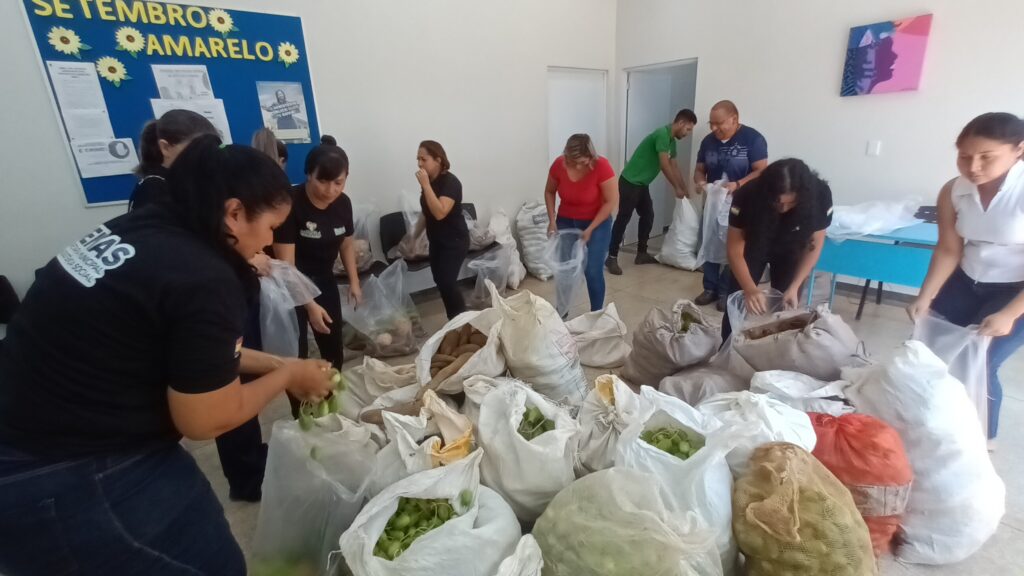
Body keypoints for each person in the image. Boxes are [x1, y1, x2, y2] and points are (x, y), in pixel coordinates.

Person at [0, 135, 337, 574]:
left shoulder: (141, 229)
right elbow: (206, 418)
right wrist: (288, 378)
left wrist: (282, 363)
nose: (270, 241)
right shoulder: (203, 275)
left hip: (38, 430)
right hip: (65, 464)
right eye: (272, 226)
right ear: (234, 213)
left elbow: (197, 359)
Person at [908, 112, 1024, 443]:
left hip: (1015, 291)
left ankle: (979, 442)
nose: (973, 167)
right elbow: (949, 249)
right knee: (928, 353)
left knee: (980, 362)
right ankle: (928, 429)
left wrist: (1009, 314)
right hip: (967, 279)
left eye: (987, 157)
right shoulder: (954, 190)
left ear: (1018, 150)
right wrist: (925, 296)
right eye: (964, 156)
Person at [273, 136, 363, 370]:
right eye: (322, 181)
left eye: (338, 182)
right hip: (290, 285)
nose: (331, 190)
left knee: (333, 346)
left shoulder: (343, 203)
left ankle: (332, 388)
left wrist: (354, 281)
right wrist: (310, 305)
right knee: (297, 351)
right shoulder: (290, 203)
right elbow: (286, 266)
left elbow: (346, 244)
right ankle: (300, 394)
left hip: (324, 280)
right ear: (308, 174)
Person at [721, 158, 833, 340]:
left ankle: (775, 348)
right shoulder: (747, 195)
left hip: (791, 247)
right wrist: (749, 289)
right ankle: (727, 346)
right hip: (754, 244)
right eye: (778, 203)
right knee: (738, 298)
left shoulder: (819, 194)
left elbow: (814, 245)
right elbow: (734, 250)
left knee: (787, 306)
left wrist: (794, 286)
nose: (784, 208)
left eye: (791, 203)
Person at [694, 100, 768, 309]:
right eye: (711, 123)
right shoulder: (708, 142)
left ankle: (726, 291)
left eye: (719, 123)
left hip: (741, 203)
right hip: (714, 202)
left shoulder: (752, 139)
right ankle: (710, 288)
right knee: (709, 240)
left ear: (734, 119)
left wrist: (738, 184)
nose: (714, 128)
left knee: (732, 246)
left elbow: (762, 170)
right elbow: (699, 169)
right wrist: (700, 183)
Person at [606, 109, 697, 275]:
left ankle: (641, 254)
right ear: (681, 123)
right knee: (623, 218)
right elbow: (664, 164)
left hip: (642, 184)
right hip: (630, 182)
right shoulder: (662, 134)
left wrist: (683, 187)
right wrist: (675, 187)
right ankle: (611, 257)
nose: (687, 133)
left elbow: (674, 165)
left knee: (648, 216)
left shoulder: (671, 141)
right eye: (688, 129)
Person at [545, 134, 619, 313]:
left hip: (598, 222)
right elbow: (549, 191)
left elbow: (611, 201)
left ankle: (596, 315)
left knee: (592, 270)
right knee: (565, 270)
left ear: (591, 157)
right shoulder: (559, 165)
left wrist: (591, 228)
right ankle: (562, 312)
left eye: (583, 162)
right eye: (573, 162)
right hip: (566, 220)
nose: (578, 166)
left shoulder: (602, 166)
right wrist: (552, 220)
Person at [414, 140, 470, 319]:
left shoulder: (451, 183)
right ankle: (454, 319)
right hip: (436, 241)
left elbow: (439, 212)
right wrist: (413, 237)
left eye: (424, 159)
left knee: (447, 282)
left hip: (455, 241)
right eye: (418, 159)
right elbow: (427, 213)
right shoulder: (430, 182)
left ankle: (462, 320)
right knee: (440, 281)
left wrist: (425, 186)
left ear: (438, 160)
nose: (419, 164)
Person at [128, 109, 218, 211]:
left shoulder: (182, 181)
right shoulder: (154, 190)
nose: (206, 156)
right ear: (166, 148)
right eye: (196, 148)